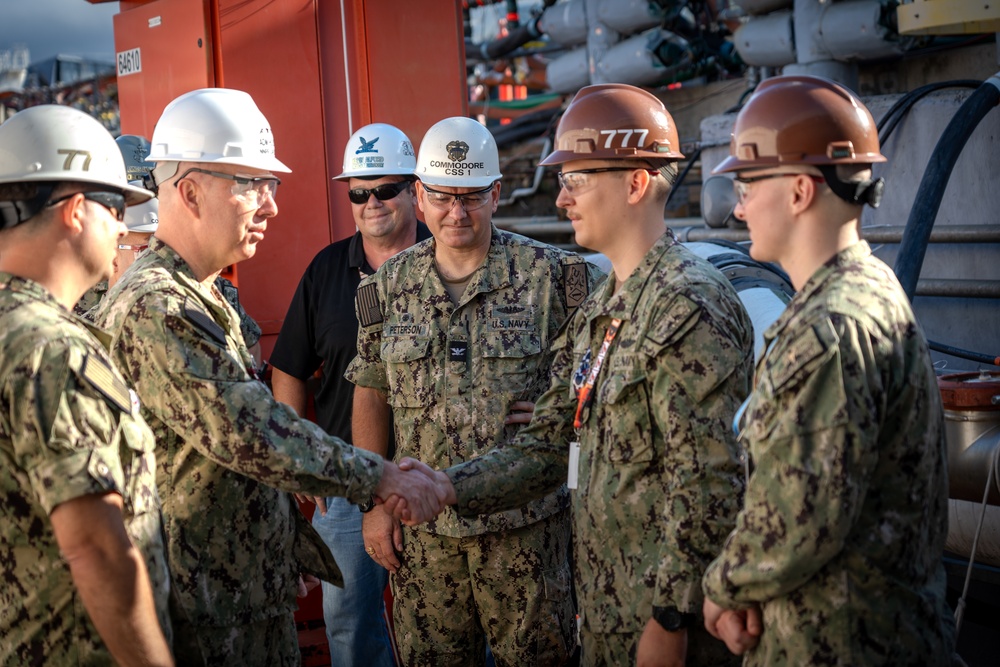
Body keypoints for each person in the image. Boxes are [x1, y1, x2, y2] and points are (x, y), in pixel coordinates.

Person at [393, 83, 755, 666]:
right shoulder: (600, 309)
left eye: (575, 181)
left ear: (635, 183)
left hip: (666, 630)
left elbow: (709, 483)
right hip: (610, 616)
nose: (562, 201)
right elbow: (547, 447)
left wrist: (670, 618)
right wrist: (448, 487)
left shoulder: (686, 306)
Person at [91, 88, 448, 666]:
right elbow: (250, 433)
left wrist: (283, 542)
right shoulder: (158, 309)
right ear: (190, 191)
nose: (271, 205)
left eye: (271, 186)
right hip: (200, 613)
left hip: (241, 596)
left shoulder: (206, 298)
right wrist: (380, 476)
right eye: (253, 185)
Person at [699, 75, 957, 665]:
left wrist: (723, 589)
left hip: (842, 643)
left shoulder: (831, 326)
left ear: (798, 191)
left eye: (746, 184)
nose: (737, 208)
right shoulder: (862, 289)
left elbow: (800, 518)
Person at [346, 115, 603, 666]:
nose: (456, 213)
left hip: (528, 533)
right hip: (426, 537)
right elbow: (371, 391)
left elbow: (600, 382)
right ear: (418, 195)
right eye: (441, 197)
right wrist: (373, 503)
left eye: (472, 198)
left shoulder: (556, 277)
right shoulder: (388, 287)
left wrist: (571, 419)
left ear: (496, 194)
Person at [0, 105, 173, 665]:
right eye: (117, 206)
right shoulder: (52, 349)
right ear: (75, 211)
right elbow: (97, 547)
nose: (125, 225)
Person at [271, 122, 430, 667]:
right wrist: (298, 461)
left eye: (385, 190)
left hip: (437, 475)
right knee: (348, 628)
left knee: (453, 620)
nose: (372, 203)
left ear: (414, 188)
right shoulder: (325, 270)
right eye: (359, 193)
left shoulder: (449, 260)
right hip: (345, 484)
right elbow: (288, 369)